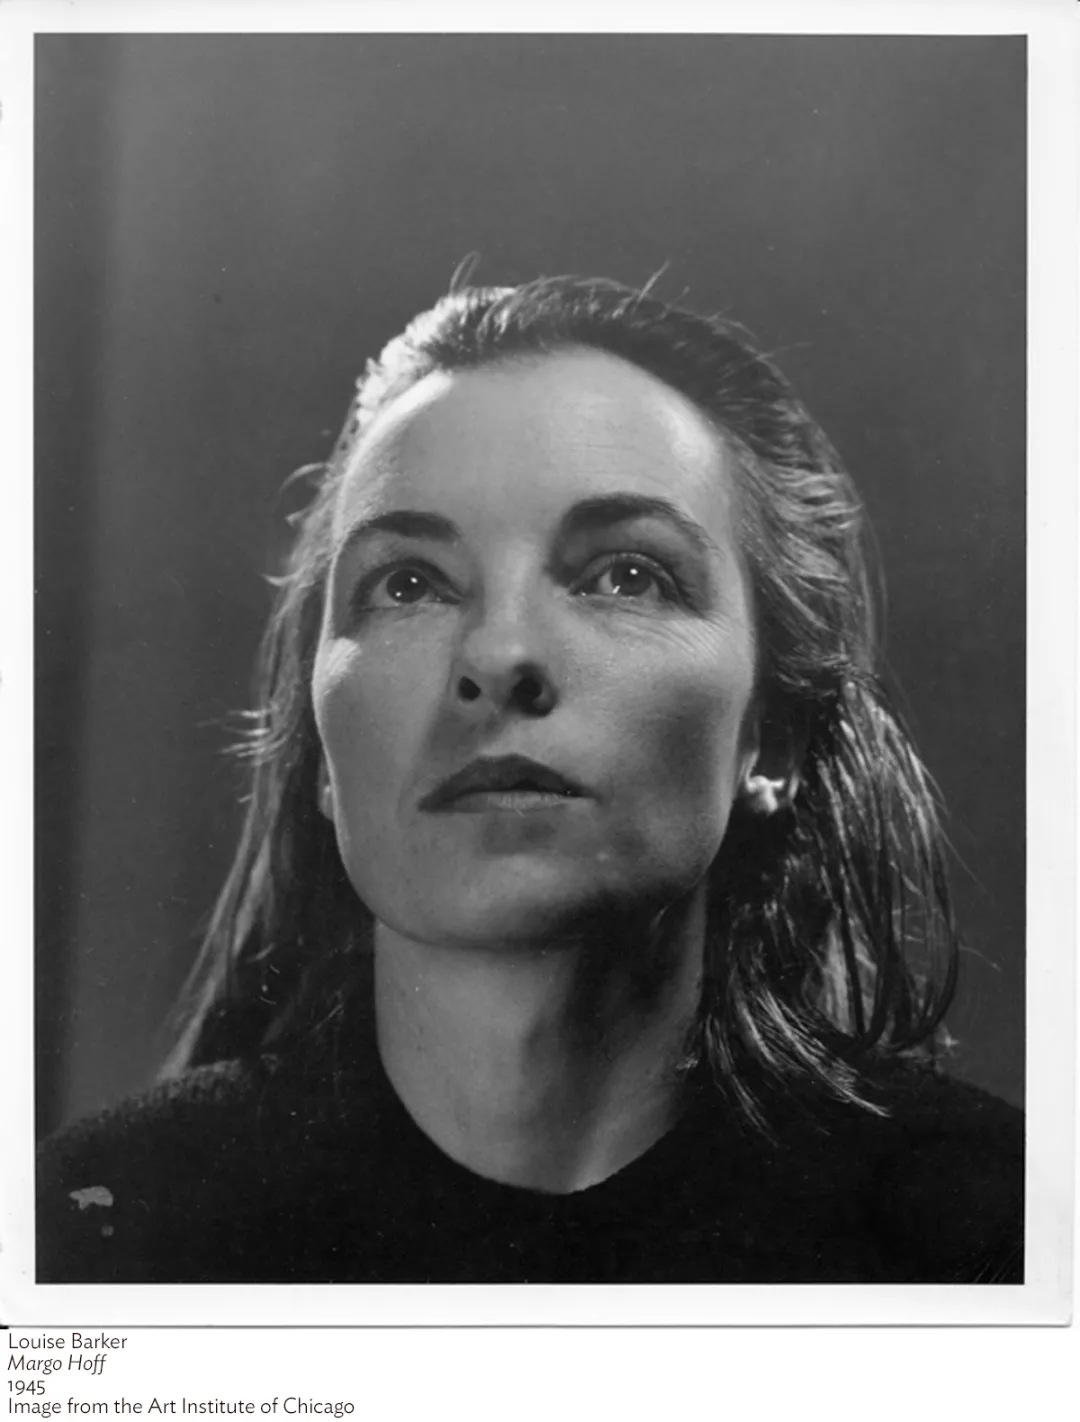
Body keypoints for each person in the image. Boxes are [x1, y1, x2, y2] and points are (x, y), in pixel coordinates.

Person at [37, 275, 1023, 1284]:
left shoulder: (993, 1236)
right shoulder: (92, 1230)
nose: (500, 654)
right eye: (408, 583)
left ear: (773, 740)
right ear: (323, 753)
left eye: (626, 575)